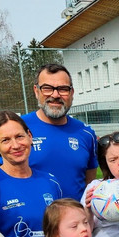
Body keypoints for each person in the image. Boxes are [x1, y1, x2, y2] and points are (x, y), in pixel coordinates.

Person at [25, 63, 98, 200]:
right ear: (36, 91)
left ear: (72, 93)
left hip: (76, 219)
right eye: (47, 88)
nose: (55, 95)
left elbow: (90, 186)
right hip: (32, 221)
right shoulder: (18, 128)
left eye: (63, 89)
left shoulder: (86, 133)